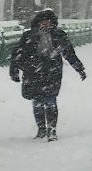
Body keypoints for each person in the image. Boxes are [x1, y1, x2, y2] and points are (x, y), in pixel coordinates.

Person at [8, 9, 86, 141]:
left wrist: (79, 68)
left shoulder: (59, 35)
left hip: (52, 73)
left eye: (48, 22)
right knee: (37, 101)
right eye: (42, 22)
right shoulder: (28, 36)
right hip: (33, 73)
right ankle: (41, 129)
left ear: (53, 23)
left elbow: (69, 54)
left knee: (50, 101)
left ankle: (52, 129)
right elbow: (18, 53)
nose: (45, 25)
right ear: (37, 23)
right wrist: (14, 70)